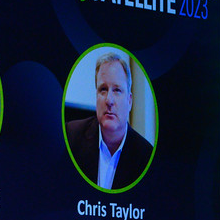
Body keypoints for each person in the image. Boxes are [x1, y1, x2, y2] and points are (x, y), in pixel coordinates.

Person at [65, 51, 155, 190]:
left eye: (117, 90)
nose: (109, 100)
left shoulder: (146, 156)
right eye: (103, 89)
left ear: (129, 101)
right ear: (96, 96)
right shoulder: (70, 136)